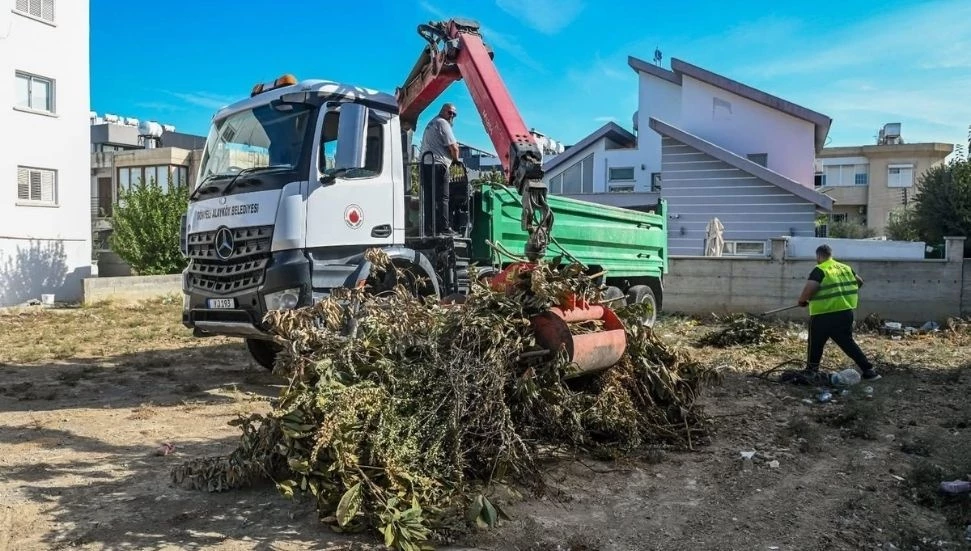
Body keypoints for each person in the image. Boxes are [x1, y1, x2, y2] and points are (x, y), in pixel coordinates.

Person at [797, 244, 881, 380]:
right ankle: (869, 370)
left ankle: (811, 371)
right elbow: (859, 282)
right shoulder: (846, 268)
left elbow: (811, 286)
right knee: (848, 343)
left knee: (815, 343)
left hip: (824, 314)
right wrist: (842, 293)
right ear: (831, 254)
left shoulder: (820, 269)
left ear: (818, 256)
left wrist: (802, 300)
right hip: (845, 313)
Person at [419, 103, 462, 236]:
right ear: (443, 111)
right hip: (438, 164)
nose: (452, 116)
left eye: (454, 114)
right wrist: (455, 161)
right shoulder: (442, 123)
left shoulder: (432, 123)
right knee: (443, 197)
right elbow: (454, 147)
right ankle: (444, 227)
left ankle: (429, 228)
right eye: (450, 113)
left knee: (429, 198)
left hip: (426, 164)